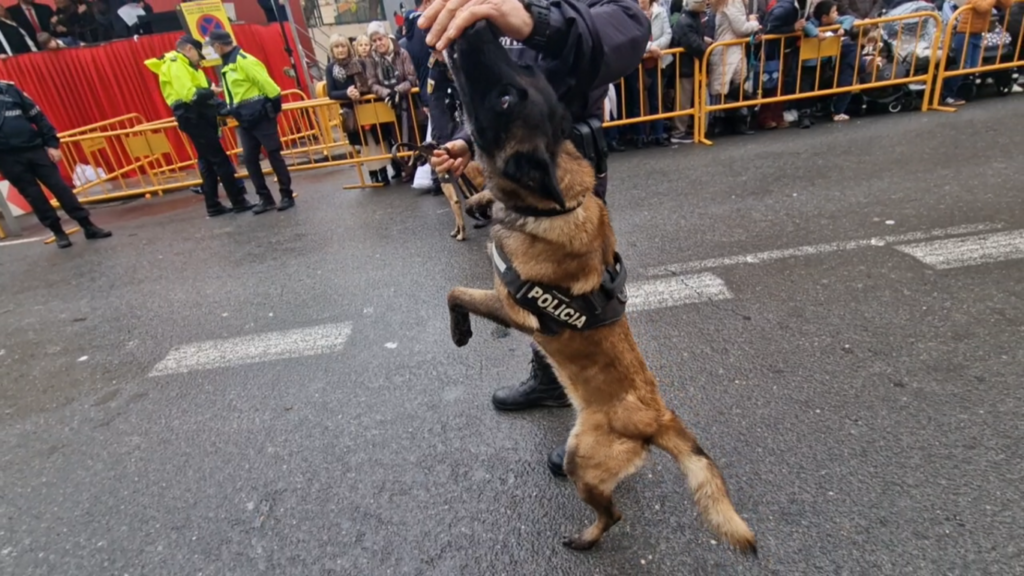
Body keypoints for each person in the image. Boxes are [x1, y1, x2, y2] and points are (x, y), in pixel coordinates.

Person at [421, 0, 651, 477]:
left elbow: (629, 28)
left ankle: (613, 422)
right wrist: (469, 140)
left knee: (581, 300)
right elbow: (510, 84)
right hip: (518, 173)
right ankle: (549, 380)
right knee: (530, 290)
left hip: (563, 176)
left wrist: (536, 20)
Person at [146, 35, 255, 217]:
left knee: (207, 161)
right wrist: (211, 93)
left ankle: (213, 205)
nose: (200, 58)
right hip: (192, 115)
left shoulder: (188, 66)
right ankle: (238, 201)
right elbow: (191, 94)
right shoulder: (175, 64)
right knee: (219, 159)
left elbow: (204, 91)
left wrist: (220, 104)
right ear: (188, 49)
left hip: (199, 115)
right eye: (199, 53)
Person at [0, 80, 112, 248]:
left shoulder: (9, 90)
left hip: (34, 149)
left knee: (60, 187)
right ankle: (58, 232)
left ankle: (88, 225)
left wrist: (52, 144)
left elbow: (38, 117)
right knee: (34, 196)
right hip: (6, 158)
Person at [207, 29, 295, 213]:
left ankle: (286, 195)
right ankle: (265, 198)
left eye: (213, 47)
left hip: (260, 115)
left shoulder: (244, 61)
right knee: (250, 159)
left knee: (273, 154)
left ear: (218, 45)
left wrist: (272, 111)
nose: (214, 51)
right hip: (243, 117)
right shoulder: (229, 64)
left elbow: (271, 88)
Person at [365, 21, 418, 185]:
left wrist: (398, 90)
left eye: (380, 39)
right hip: (388, 103)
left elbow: (411, 78)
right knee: (396, 137)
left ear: (386, 37)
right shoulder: (371, 59)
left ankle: (419, 167)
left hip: (407, 101)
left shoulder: (401, 53)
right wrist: (387, 93)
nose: (378, 43)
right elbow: (372, 82)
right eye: (374, 41)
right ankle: (407, 169)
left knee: (414, 135)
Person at [708, 0, 760, 134]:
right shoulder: (733, 2)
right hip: (731, 51)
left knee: (728, 88)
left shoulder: (723, 3)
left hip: (726, 49)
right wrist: (754, 22)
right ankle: (746, 111)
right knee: (735, 86)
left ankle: (726, 122)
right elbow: (740, 28)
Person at [324, 33, 371, 148]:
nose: (341, 50)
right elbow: (331, 93)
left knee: (377, 144)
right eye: (337, 47)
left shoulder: (359, 63)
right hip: (349, 113)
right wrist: (347, 93)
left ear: (348, 48)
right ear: (332, 49)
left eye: (343, 46)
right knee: (363, 148)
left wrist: (359, 92)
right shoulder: (330, 68)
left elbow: (368, 84)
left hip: (366, 108)